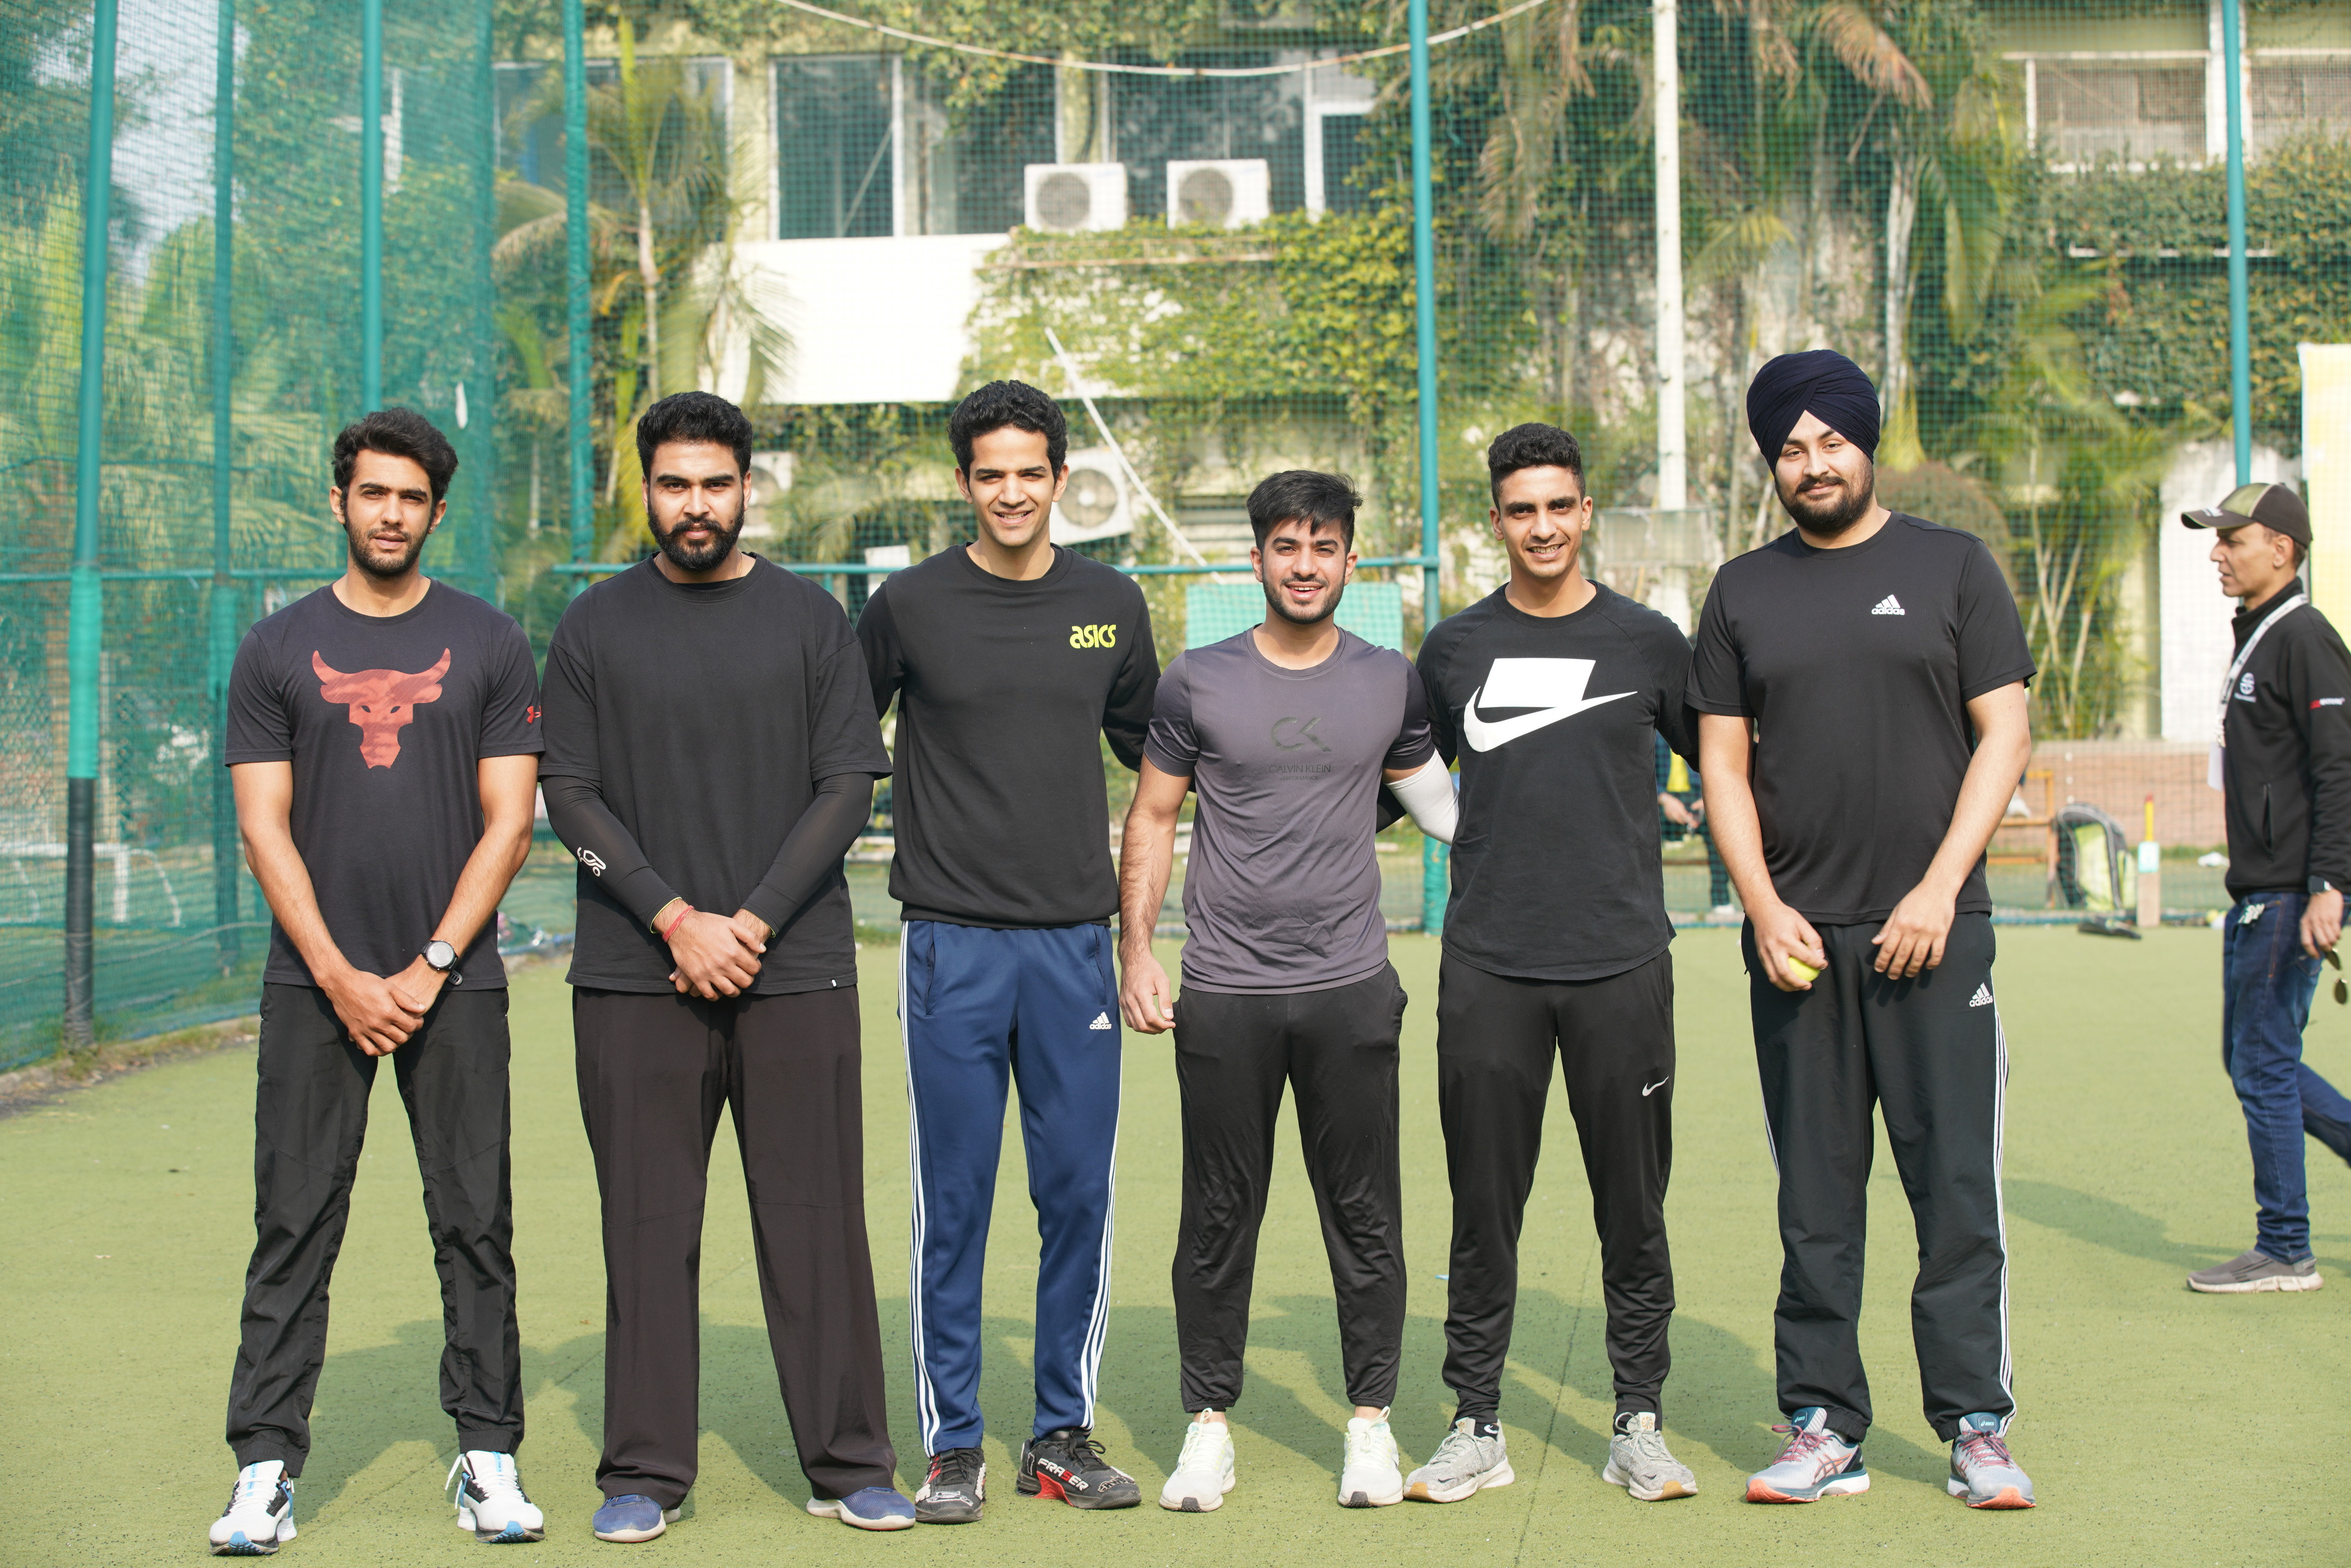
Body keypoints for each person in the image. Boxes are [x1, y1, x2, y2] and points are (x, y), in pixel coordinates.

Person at [540, 390, 909, 1541]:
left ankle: (850, 1463)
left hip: (793, 968)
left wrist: (747, 920)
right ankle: (643, 1473)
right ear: (646, 492)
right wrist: (673, 919)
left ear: (747, 488)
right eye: (673, 485)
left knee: (815, 1222)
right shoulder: (593, 625)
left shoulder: (810, 620)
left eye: (713, 484)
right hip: (633, 974)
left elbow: (846, 786)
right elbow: (568, 794)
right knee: (648, 1226)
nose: (693, 505)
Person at [1691, 350, 2039, 1511]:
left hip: (1934, 934)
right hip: (1798, 944)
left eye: (1829, 442)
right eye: (1789, 450)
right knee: (1814, 1202)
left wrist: (1938, 888)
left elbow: (2003, 734)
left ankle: (1975, 1427)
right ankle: (1821, 1423)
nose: (1812, 465)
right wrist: (1760, 904)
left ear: (1864, 443)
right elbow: (1722, 765)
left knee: (1954, 1193)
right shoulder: (1740, 591)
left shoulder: (1952, 567)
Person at [211, 408, 545, 1553]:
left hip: (457, 983)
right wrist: (341, 974)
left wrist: (428, 965)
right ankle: (263, 1470)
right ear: (339, 501)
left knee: (475, 1221)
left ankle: (488, 1457)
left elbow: (510, 824)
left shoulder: (491, 642)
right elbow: (264, 827)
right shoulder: (275, 648)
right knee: (293, 1220)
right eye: (372, 493)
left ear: (436, 512)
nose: (390, 514)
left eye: (411, 498)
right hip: (315, 987)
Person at [1119, 469, 1459, 1514]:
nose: (1303, 565)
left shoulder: (1390, 680)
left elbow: (1438, 806)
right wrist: (1135, 949)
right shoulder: (1194, 680)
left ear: (1350, 559)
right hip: (1224, 992)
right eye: (1284, 546)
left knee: (1364, 1215)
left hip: (1350, 987)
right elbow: (1152, 818)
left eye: (1322, 547)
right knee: (1217, 1215)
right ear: (1256, 559)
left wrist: (1546, 824)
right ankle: (1206, 1430)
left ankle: (1370, 1424)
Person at [858, 381, 1159, 1522]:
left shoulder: (1110, 605)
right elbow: (838, 743)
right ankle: (952, 1446)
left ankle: (1059, 1437)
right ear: (963, 482)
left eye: (1031, 472)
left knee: (1076, 1193)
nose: (1012, 492)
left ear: (1060, 477)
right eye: (990, 474)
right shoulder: (907, 605)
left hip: (1074, 949)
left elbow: (1160, 765)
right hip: (950, 947)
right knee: (955, 1202)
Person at [1406, 424, 1700, 1508]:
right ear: (1496, 521)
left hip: (1621, 964)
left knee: (1633, 1208)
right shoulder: (1451, 649)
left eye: (1557, 506)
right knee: (1482, 1207)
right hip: (1488, 967)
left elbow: (1727, 762)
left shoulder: (1648, 643)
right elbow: (1401, 770)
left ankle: (1638, 1422)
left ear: (1583, 512)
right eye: (1520, 510)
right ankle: (1474, 1423)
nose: (1540, 527)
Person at [2180, 481, 2351, 1294]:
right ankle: (2283, 1243)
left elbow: (2338, 769)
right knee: (2255, 1058)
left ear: (2280, 549)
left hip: (2289, 891)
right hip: (2264, 889)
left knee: (2261, 1061)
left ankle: (2284, 1248)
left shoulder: (2303, 636)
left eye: (2232, 540)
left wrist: (2329, 884)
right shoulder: (2260, 633)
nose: (2217, 554)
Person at [1656, 733, 1733, 917]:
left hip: (1700, 796)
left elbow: (1722, 767)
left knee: (1720, 837)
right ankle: (1650, 904)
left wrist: (1708, 799)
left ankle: (1722, 902)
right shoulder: (1654, 735)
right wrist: (1663, 799)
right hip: (1661, 800)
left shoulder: (1703, 733)